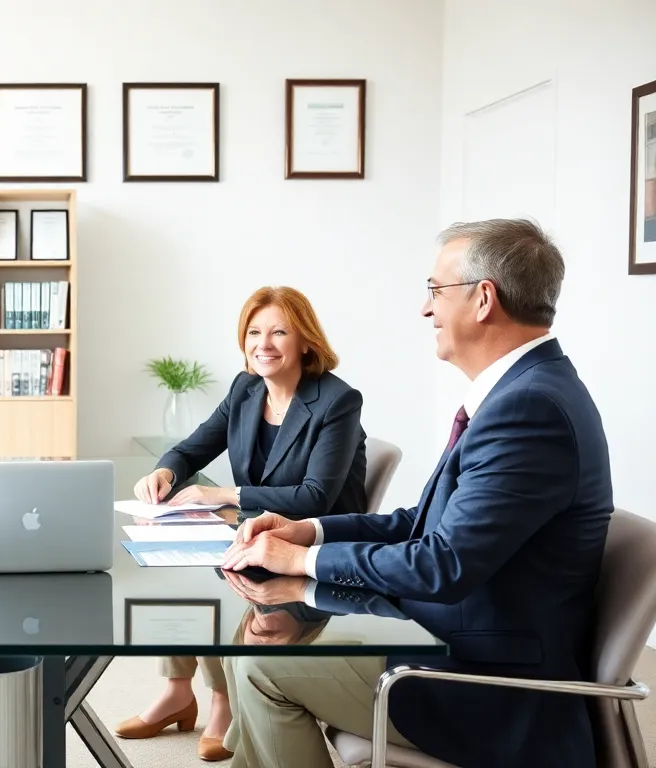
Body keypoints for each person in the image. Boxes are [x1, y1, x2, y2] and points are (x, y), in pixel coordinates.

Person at [219, 218, 612, 768]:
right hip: (451, 642)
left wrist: (302, 559)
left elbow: (444, 564)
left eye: (435, 291)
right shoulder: (521, 393)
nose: (426, 310)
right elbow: (420, 523)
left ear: (482, 299)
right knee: (252, 653)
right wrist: (308, 530)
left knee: (262, 666)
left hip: (489, 684)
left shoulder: (530, 409)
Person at [119, 286, 368, 761]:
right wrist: (165, 471)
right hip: (252, 535)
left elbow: (315, 496)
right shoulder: (245, 388)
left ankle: (221, 702)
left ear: (305, 342)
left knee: (240, 600)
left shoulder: (337, 401)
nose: (264, 344)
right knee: (175, 580)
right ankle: (177, 691)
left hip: (310, 550)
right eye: (255, 332)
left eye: (279, 332)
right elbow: (191, 448)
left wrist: (226, 494)